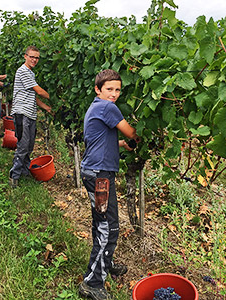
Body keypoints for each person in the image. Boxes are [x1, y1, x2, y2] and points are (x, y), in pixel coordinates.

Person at [79, 69, 140, 300]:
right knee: (110, 227)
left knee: (101, 223)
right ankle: (92, 283)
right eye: (109, 89)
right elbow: (132, 132)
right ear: (98, 89)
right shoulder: (107, 107)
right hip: (100, 176)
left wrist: (123, 145)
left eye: (117, 90)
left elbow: (104, 139)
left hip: (94, 171)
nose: (114, 94)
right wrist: (143, 136)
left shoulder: (96, 106)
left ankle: (105, 261)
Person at [9, 46, 52, 187]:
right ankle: (14, 176)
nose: (34, 60)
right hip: (22, 113)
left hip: (30, 113)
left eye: (37, 57)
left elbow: (33, 96)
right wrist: (54, 99)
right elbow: (39, 91)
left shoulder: (30, 73)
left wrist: (46, 107)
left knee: (29, 145)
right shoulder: (23, 71)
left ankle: (25, 172)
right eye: (32, 56)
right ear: (25, 56)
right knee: (23, 145)